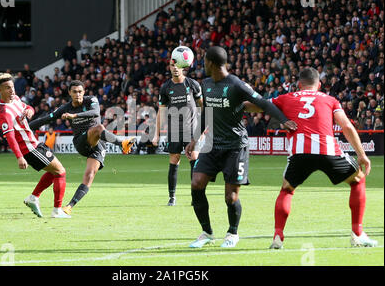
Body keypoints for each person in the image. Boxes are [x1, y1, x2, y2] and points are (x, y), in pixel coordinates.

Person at [246, 67, 377, 248]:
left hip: (300, 152)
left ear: (299, 84)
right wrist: (362, 155)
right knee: (358, 181)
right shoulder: (330, 100)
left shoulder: (286, 97)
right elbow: (346, 126)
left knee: (287, 190)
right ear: (320, 84)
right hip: (327, 150)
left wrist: (238, 102)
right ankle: (358, 234)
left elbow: (258, 105)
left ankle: (278, 236)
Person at [184, 46, 297, 248]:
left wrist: (284, 119)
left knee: (231, 196)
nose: (202, 64)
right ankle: (207, 232)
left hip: (236, 147)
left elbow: (263, 103)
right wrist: (194, 139)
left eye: (204, 61)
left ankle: (232, 233)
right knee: (196, 184)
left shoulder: (236, 85)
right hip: (212, 145)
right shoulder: (206, 84)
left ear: (211, 63)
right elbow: (206, 115)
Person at [29, 80, 136, 215]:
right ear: (69, 93)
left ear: (84, 92)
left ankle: (69, 206)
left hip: (98, 144)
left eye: (80, 91)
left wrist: (75, 116)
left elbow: (95, 113)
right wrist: (24, 128)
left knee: (89, 175)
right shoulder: (65, 108)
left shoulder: (91, 100)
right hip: (81, 142)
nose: (78, 94)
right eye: (74, 92)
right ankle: (122, 144)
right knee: (99, 128)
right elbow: (45, 119)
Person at [0, 74, 70, 218]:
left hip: (34, 144)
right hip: (28, 149)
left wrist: (30, 110)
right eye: (8, 88)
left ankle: (34, 197)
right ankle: (57, 210)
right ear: (0, 91)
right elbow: (10, 136)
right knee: (60, 172)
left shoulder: (16, 99)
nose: (12, 91)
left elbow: (27, 107)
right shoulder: (3, 112)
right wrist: (19, 157)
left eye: (12, 87)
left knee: (54, 172)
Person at [152, 58, 203, 206]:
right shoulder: (166, 87)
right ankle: (172, 197)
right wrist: (156, 134)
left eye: (177, 65)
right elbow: (161, 112)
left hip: (191, 130)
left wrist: (204, 125)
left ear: (183, 67)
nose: (174, 68)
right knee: (174, 162)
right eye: (172, 65)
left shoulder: (192, 84)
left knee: (194, 160)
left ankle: (195, 196)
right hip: (174, 131)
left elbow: (202, 105)